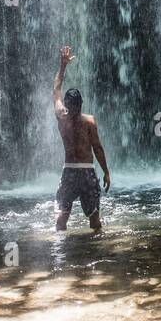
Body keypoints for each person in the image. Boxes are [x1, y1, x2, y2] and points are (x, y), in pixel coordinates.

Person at [52, 45, 110, 233]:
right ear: (81, 103)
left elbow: (56, 89)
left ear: (68, 104)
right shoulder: (89, 122)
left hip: (69, 172)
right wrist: (106, 172)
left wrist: (63, 66)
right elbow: (98, 149)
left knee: (62, 220)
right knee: (94, 220)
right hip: (86, 173)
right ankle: (97, 254)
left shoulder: (61, 116)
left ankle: (59, 254)